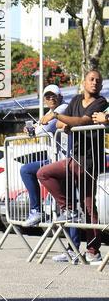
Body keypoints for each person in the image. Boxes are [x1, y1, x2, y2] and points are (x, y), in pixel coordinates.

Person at [37, 69, 108, 264]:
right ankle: (69, 209)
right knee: (44, 173)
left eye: (98, 81)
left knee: (88, 204)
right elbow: (63, 126)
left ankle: (93, 251)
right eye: (91, 79)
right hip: (74, 158)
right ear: (83, 83)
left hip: (90, 160)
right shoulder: (76, 100)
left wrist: (56, 117)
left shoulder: (101, 102)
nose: (94, 83)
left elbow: (82, 121)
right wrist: (63, 122)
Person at [20, 85, 69, 227]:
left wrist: (35, 130)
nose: (51, 98)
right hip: (55, 160)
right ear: (44, 100)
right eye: (48, 97)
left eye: (54, 95)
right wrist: (31, 129)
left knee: (69, 206)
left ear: (60, 97)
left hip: (66, 161)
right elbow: (39, 127)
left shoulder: (63, 108)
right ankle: (36, 210)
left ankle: (73, 248)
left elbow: (48, 127)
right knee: (26, 170)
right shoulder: (49, 112)